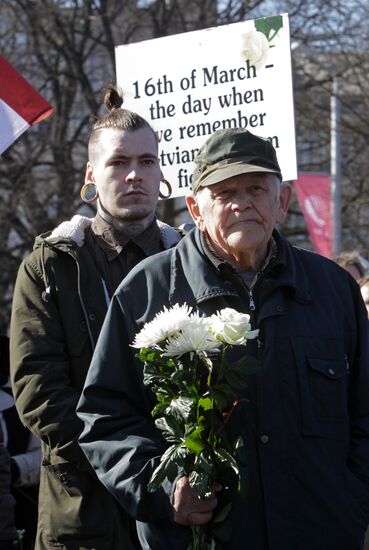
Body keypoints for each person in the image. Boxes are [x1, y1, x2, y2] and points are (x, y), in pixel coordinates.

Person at [77, 128, 369, 550]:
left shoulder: (333, 290)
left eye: (255, 189)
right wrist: (162, 490)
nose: (242, 203)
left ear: (282, 201)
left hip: (320, 533)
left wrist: (351, 504)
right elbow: (105, 418)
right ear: (195, 207)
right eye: (224, 191)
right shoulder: (147, 291)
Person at [10, 84, 181, 550]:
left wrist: (184, 462)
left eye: (146, 162)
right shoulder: (50, 265)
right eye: (118, 162)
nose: (134, 175)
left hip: (182, 505)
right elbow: (37, 389)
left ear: (162, 172)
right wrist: (126, 464)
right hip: (85, 508)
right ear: (91, 174)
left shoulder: (193, 262)